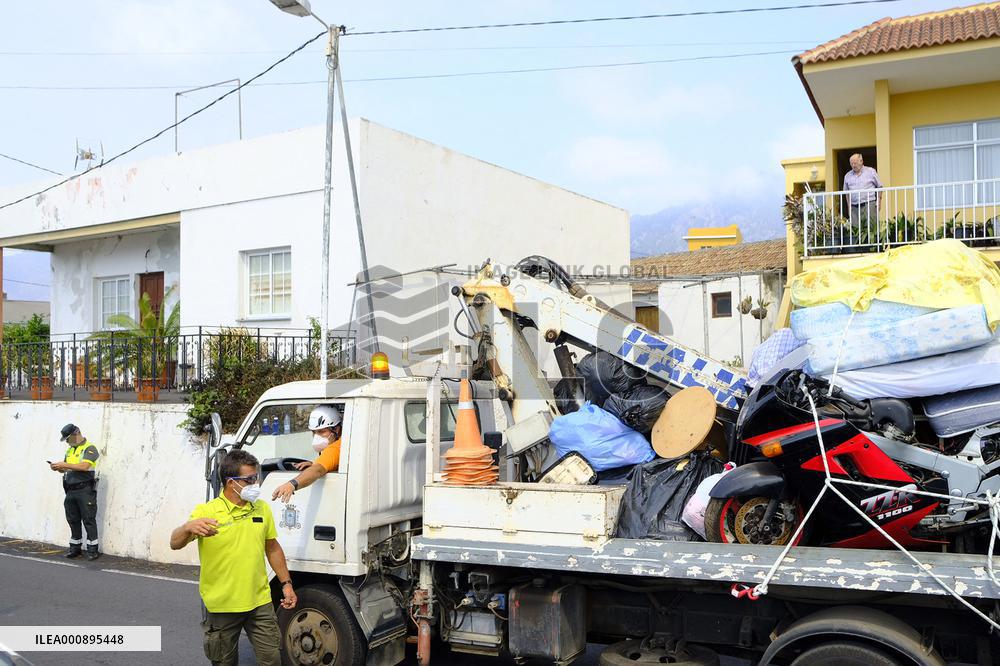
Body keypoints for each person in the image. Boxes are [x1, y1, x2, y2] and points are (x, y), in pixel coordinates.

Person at [170, 449, 297, 666]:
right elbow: (174, 543)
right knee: (224, 662)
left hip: (259, 602)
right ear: (231, 482)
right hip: (222, 605)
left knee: (273, 659)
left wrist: (287, 584)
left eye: (256, 477)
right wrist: (187, 527)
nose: (256, 483)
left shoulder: (261, 509)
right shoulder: (207, 512)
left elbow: (272, 548)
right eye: (250, 479)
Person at [50, 423, 101, 560]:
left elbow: (84, 466)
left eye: (68, 439)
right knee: (72, 519)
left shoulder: (90, 448)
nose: (67, 442)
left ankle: (92, 550)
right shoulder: (70, 450)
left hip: (85, 490)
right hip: (71, 490)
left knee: (88, 519)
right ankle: (75, 547)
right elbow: (67, 468)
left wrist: (64, 464)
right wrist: (58, 468)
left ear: (76, 433)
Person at [272, 405, 342, 503]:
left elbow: (317, 470)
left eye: (322, 431)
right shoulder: (341, 444)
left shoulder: (335, 448)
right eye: (314, 432)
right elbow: (325, 463)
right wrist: (313, 464)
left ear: (336, 429)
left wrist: (292, 484)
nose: (317, 436)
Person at [843, 153, 883, 227]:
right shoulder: (847, 176)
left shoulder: (871, 171)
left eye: (855, 163)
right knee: (855, 230)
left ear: (861, 161)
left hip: (869, 204)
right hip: (854, 207)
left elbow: (880, 186)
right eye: (851, 164)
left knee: (871, 228)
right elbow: (846, 193)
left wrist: (879, 201)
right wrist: (849, 206)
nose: (853, 165)